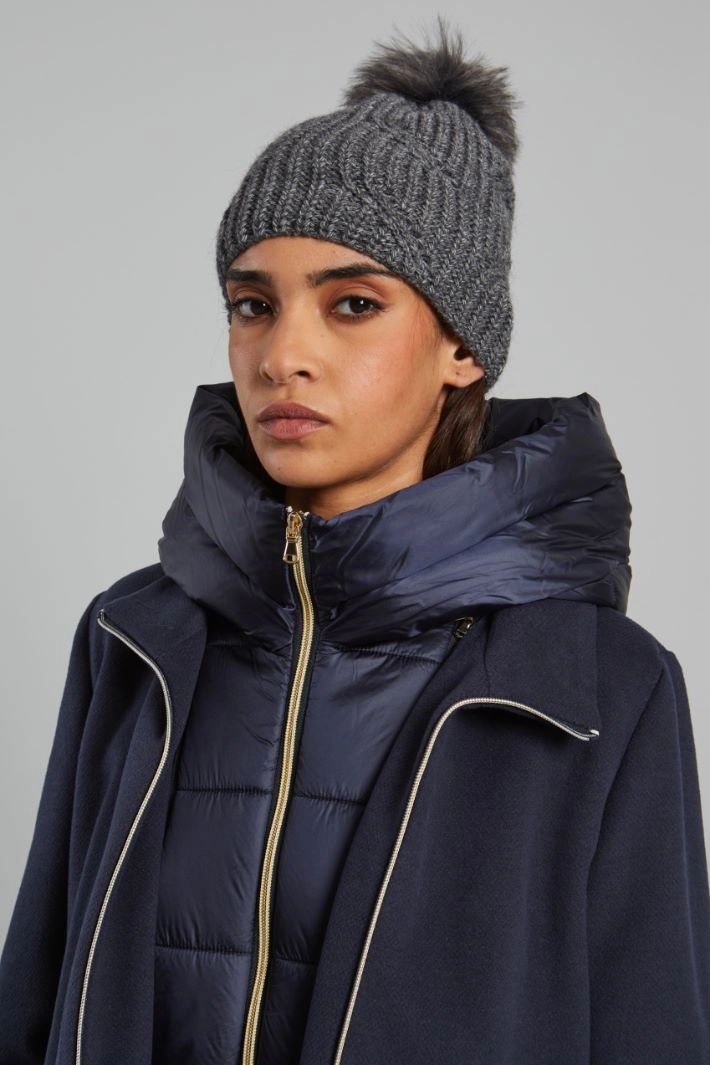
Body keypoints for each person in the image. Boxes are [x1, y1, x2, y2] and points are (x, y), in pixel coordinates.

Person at [1, 15, 708, 1065]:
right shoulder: (133, 640)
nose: (282, 354)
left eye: (353, 304)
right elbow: (38, 997)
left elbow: (654, 1032)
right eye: (252, 304)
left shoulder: (596, 686)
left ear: (462, 346)